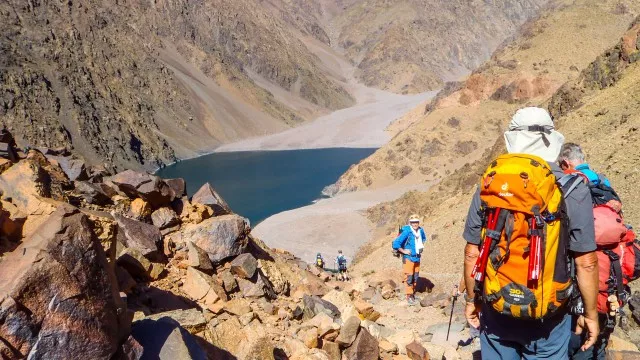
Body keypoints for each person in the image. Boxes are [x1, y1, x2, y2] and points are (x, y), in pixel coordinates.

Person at [462, 107, 599, 359]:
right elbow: (586, 262)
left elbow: (472, 253)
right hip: (548, 316)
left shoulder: (491, 184)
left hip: (497, 308)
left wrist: (472, 300)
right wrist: (590, 314)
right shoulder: (572, 187)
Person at [559, 143, 625, 360]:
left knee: (574, 343)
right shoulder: (604, 184)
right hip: (611, 280)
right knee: (599, 342)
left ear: (565, 163)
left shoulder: (569, 186)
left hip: (579, 285)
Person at [392, 214, 427, 306]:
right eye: (413, 222)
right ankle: (409, 295)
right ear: (410, 223)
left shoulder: (420, 230)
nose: (415, 224)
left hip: (417, 257)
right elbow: (396, 243)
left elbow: (423, 238)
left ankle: (412, 294)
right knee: (409, 277)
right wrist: (403, 251)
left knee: (415, 276)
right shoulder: (407, 231)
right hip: (408, 258)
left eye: (416, 222)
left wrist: (421, 247)